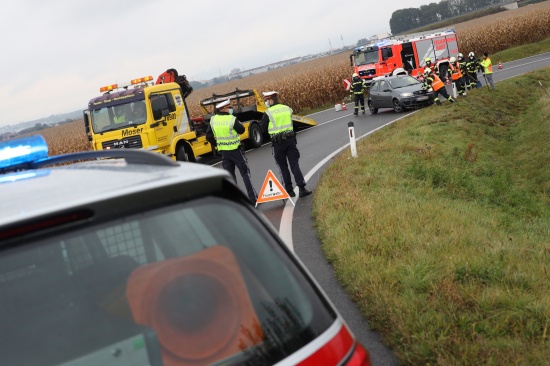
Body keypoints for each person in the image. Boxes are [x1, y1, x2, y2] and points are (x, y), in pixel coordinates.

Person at [206, 99, 258, 205]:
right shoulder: (231, 119)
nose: (230, 109)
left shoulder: (213, 120)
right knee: (245, 173)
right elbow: (242, 130)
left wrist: (217, 144)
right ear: (223, 108)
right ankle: (252, 199)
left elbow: (208, 136)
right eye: (229, 107)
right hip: (236, 151)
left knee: (230, 177)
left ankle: (237, 201)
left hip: (224, 153)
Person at [261, 91, 312, 198]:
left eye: (266, 100)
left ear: (271, 100)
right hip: (290, 140)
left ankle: (289, 191)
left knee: (283, 167)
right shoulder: (287, 108)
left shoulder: (268, 113)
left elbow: (263, 129)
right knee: (294, 165)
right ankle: (302, 188)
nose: (266, 102)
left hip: (277, 144)